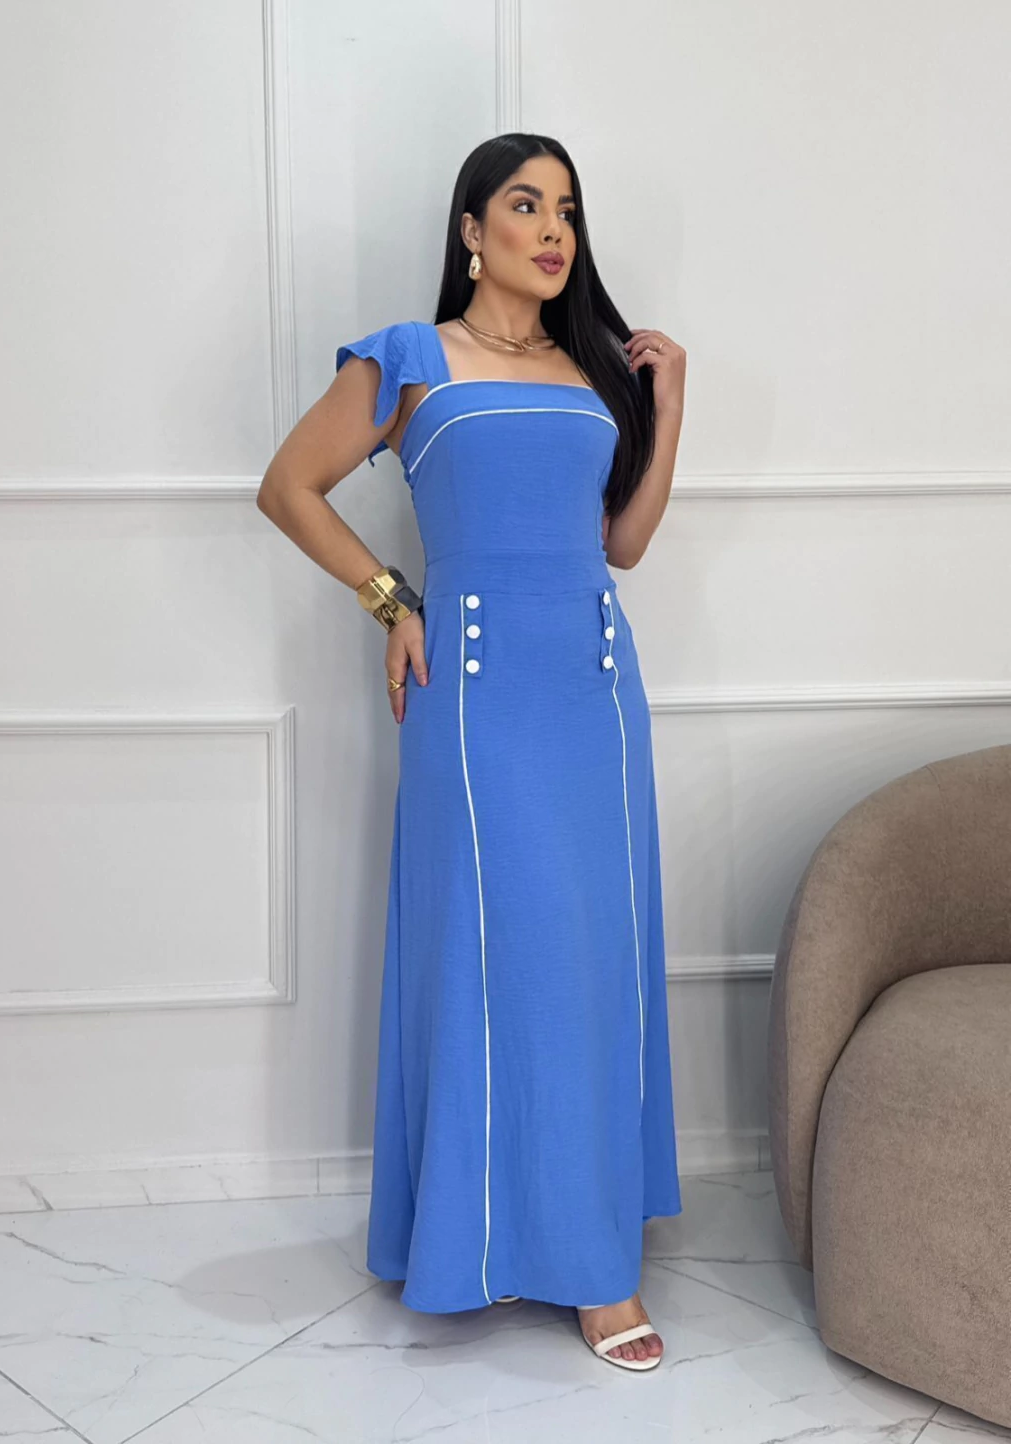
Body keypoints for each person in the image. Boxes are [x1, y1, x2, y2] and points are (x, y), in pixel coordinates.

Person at [257, 132, 687, 1372]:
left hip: (595, 692)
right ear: (470, 228)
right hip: (476, 692)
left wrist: (667, 410)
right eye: (525, 204)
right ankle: (478, 1233)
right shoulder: (409, 358)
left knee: (590, 958)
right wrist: (391, 600)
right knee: (498, 952)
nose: (552, 230)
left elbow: (622, 545)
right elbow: (289, 487)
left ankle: (596, 1264)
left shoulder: (589, 367)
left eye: (567, 210)